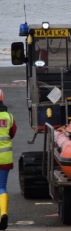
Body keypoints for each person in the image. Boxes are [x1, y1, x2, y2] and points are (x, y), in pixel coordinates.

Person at [0, 89, 17, 230]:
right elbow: (12, 133)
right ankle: (3, 213)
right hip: (4, 158)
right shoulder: (9, 117)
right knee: (2, 187)